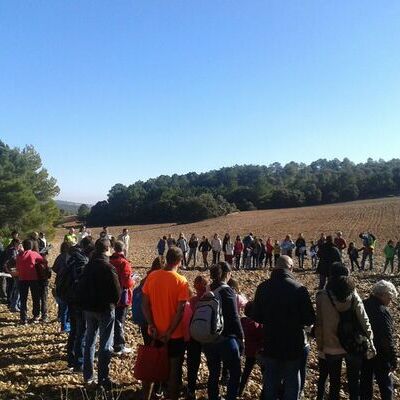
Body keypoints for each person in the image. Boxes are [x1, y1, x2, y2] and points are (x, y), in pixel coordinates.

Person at [253, 255, 315, 400]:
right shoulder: (299, 289)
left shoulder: (263, 287)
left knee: (270, 379)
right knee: (292, 378)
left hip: (271, 341)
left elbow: (256, 316)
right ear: (290, 268)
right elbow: (309, 319)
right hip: (293, 343)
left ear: (275, 267)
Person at [315, 263, 376, 400]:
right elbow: (363, 318)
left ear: (331, 276)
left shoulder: (321, 296)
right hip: (352, 342)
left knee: (334, 382)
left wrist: (320, 346)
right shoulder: (353, 294)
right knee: (354, 382)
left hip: (331, 345)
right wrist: (370, 339)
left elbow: (319, 324)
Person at [142, 247, 190, 400]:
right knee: (174, 370)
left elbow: (144, 304)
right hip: (174, 335)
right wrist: (169, 332)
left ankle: (146, 397)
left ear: (167, 259)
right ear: (179, 261)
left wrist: (151, 324)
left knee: (151, 367)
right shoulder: (181, 281)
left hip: (155, 332)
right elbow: (180, 310)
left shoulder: (153, 276)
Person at [78, 238, 121, 388]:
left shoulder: (88, 266)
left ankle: (88, 376)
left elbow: (81, 287)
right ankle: (103, 378)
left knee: (89, 340)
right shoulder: (108, 267)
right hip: (105, 309)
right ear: (108, 249)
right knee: (105, 343)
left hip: (89, 309)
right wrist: (112, 304)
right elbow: (117, 293)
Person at [203, 262, 243, 400]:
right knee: (235, 372)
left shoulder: (208, 289)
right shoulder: (227, 291)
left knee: (213, 372)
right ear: (227, 274)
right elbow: (234, 317)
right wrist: (241, 337)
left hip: (209, 338)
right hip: (225, 337)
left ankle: (213, 397)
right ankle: (231, 397)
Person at [360, 280, 398, 400]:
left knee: (365, 383)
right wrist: (392, 358)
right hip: (380, 354)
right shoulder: (382, 311)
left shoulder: (362, 304)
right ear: (382, 295)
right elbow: (386, 338)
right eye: (390, 297)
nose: (390, 301)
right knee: (386, 385)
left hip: (364, 350)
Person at [64, 237, 94, 372]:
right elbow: (83, 283)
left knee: (75, 330)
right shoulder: (82, 260)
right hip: (78, 300)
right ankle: (79, 363)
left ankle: (71, 359)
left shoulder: (71, 257)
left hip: (70, 297)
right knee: (81, 331)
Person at [109, 240, 135, 355]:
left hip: (110, 295)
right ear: (123, 249)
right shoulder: (124, 262)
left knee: (112, 320)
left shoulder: (110, 261)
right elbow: (127, 282)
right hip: (122, 296)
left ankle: (112, 343)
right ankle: (119, 346)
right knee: (120, 321)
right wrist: (133, 280)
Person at [186, 276, 208, 400]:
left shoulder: (192, 301)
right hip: (207, 334)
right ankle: (212, 387)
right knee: (212, 362)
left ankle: (191, 388)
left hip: (194, 334)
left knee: (193, 362)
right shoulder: (210, 299)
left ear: (195, 287)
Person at [16, 239, 47, 324]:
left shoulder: (19, 255)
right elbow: (43, 260)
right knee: (35, 298)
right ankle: (36, 316)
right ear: (31, 246)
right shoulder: (34, 254)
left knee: (23, 299)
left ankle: (23, 318)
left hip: (22, 279)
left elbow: (17, 267)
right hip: (33, 278)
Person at [238, 301, 264, 396]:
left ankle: (240, 389)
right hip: (258, 351)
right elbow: (262, 335)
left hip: (249, 351)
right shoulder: (255, 324)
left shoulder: (243, 321)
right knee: (264, 372)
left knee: (246, 371)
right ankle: (265, 393)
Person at [52, 241, 72, 332]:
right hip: (69, 283)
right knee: (68, 305)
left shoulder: (60, 257)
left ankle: (63, 323)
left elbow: (55, 269)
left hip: (60, 282)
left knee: (62, 304)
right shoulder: (72, 257)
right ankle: (66, 324)